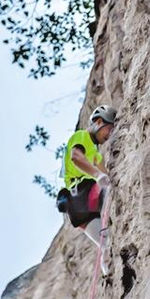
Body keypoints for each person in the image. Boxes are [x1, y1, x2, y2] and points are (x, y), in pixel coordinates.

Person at [58, 105, 116, 275]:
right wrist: (98, 175)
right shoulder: (82, 136)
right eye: (109, 129)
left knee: (106, 242)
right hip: (82, 194)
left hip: (80, 209)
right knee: (108, 192)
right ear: (99, 122)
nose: (109, 135)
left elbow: (105, 173)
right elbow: (76, 157)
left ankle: (108, 269)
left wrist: (104, 175)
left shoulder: (95, 152)